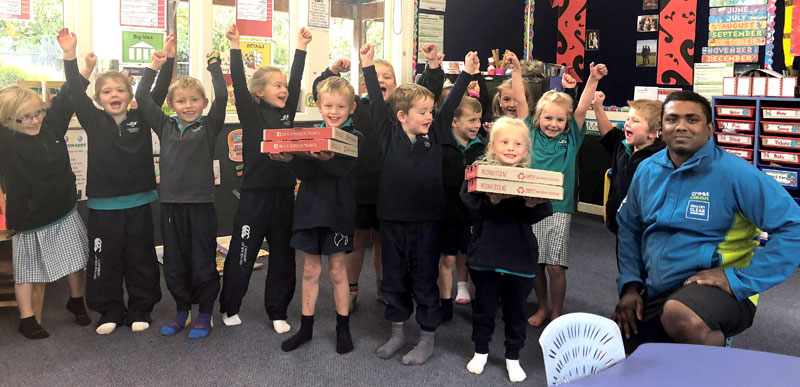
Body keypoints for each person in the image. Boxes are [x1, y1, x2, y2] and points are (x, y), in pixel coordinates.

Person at [613, 90, 800, 354]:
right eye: (672, 119)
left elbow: (794, 227)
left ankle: (714, 369)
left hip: (723, 290)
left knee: (681, 318)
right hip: (658, 287)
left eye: (692, 119)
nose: (681, 126)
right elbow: (630, 229)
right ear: (662, 127)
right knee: (619, 354)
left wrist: (739, 280)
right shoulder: (647, 170)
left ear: (710, 128)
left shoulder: (736, 174)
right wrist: (631, 286)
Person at [360, 42, 477, 365]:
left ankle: (426, 338)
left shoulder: (436, 132)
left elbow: (449, 103)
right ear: (401, 116)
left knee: (425, 279)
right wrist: (367, 66)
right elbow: (374, 103)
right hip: (393, 221)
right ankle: (397, 333)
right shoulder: (387, 134)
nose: (429, 116)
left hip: (427, 222)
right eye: (422, 112)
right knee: (394, 278)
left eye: (430, 111)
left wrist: (466, 73)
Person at [62, 29, 172, 335]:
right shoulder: (93, 120)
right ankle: (109, 309)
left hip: (138, 203)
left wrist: (164, 62)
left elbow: (158, 93)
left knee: (141, 258)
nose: (114, 95)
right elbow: (73, 90)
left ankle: (140, 307)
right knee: (104, 258)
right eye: (107, 91)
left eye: (120, 90)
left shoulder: (141, 118)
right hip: (103, 207)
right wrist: (71, 57)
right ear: (98, 98)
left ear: (130, 95)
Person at [218, 24, 311, 333]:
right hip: (254, 196)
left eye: (284, 85)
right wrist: (235, 45)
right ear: (259, 92)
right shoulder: (251, 111)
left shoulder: (287, 115)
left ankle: (277, 310)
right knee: (242, 251)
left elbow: (297, 81)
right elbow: (239, 85)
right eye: (276, 85)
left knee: (284, 255)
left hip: (284, 195)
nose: (284, 89)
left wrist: (300, 48)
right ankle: (230, 306)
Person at [0, 48, 95, 339]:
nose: (32, 121)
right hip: (28, 217)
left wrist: (78, 64)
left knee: (76, 259)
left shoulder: (51, 123)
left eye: (36, 113)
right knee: (27, 270)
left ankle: (76, 301)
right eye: (23, 118)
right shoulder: (5, 139)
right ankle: (27, 318)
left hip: (63, 209)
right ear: (6, 121)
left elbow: (67, 95)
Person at [135, 48, 227, 339]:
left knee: (202, 261)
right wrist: (154, 66)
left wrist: (214, 66)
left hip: (200, 206)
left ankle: (204, 314)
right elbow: (141, 97)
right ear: (170, 104)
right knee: (174, 262)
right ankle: (181, 310)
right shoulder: (164, 124)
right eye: (181, 101)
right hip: (171, 206)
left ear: (204, 103)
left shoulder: (208, 126)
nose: (188, 105)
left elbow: (223, 97)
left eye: (194, 100)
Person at [511, 53, 607, 327]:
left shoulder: (571, 137)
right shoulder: (528, 131)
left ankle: (557, 313)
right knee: (536, 264)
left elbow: (583, 106)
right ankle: (542, 307)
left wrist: (592, 79)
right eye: (548, 118)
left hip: (559, 210)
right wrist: (516, 71)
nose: (553, 124)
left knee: (555, 265)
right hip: (530, 206)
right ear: (538, 117)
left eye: (559, 120)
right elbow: (520, 101)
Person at [460, 117, 552, 382]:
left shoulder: (531, 178)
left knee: (516, 312)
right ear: (492, 147)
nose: (511, 147)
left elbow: (541, 211)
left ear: (525, 150)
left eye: (517, 143)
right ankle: (481, 351)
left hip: (519, 258)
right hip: (485, 255)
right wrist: (493, 201)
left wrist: (532, 205)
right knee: (484, 309)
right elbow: (470, 205)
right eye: (504, 142)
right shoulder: (478, 172)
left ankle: (513, 356)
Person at [278, 76, 363, 354]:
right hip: (309, 210)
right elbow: (305, 173)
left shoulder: (355, 137)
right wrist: (290, 161)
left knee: (338, 271)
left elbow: (343, 172)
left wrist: (327, 160)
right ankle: (306, 328)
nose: (334, 111)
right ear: (319, 106)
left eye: (340, 106)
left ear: (351, 108)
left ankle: (343, 328)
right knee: (311, 270)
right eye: (328, 105)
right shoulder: (311, 133)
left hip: (338, 212)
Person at [438, 96, 487, 319]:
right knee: (447, 259)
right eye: (471, 120)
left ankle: (479, 305)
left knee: (474, 260)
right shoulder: (443, 145)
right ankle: (446, 302)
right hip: (447, 213)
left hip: (473, 214)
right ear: (454, 122)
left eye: (478, 120)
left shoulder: (483, 147)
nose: (476, 125)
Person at [592, 93, 664, 234]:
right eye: (627, 119)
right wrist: (598, 107)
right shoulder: (622, 145)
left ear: (653, 133)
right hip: (619, 224)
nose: (627, 124)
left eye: (635, 121)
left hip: (644, 228)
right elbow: (607, 133)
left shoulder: (660, 158)